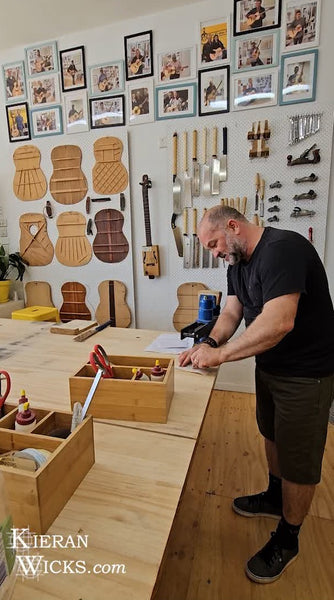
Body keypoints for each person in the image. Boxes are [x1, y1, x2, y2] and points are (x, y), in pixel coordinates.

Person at [179, 205, 334, 584]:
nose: (213, 252)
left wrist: (222, 355)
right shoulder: (237, 263)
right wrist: (209, 343)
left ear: (233, 226)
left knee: (298, 458)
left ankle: (288, 538)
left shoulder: (283, 249)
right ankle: (274, 495)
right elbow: (232, 313)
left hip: (306, 375)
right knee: (271, 434)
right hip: (270, 368)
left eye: (213, 243)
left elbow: (279, 320)